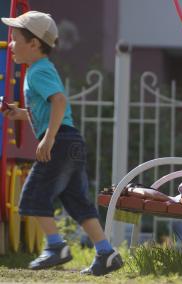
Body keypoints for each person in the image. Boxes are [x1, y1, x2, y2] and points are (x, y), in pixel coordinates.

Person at [1, 11, 123, 275]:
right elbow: (46, 108)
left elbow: (59, 101)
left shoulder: (37, 72)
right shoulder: (41, 69)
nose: (10, 44)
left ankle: (56, 246)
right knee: (78, 203)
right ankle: (106, 252)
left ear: (33, 44)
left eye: (15, 38)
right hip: (70, 141)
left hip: (60, 142)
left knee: (32, 196)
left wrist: (48, 138)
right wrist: (20, 113)